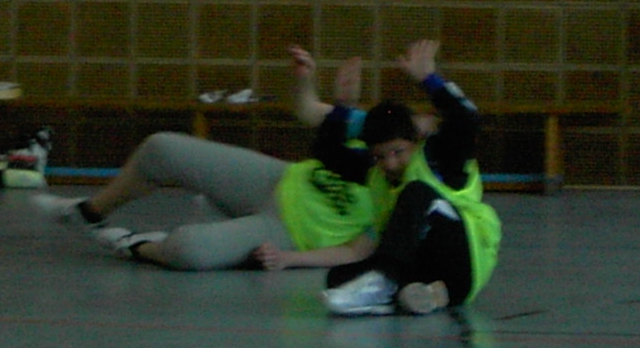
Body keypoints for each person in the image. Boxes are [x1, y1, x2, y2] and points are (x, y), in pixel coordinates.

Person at [31, 46, 386, 274]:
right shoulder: (377, 125)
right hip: (280, 180)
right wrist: (304, 80)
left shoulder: (405, 186)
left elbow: (357, 251)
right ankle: (89, 213)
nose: (391, 158)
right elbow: (307, 109)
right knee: (162, 148)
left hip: (290, 231)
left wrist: (292, 259)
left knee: (189, 249)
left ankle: (133, 243)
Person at [317, 39, 502, 317]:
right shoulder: (375, 172)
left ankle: (388, 284)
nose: (390, 164)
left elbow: (467, 119)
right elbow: (326, 153)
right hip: (422, 265)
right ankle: (422, 294)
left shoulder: (441, 157)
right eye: (380, 156)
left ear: (415, 141)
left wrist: (429, 79)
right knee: (337, 278)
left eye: (398, 152)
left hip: (465, 259)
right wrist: (342, 106)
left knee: (417, 192)